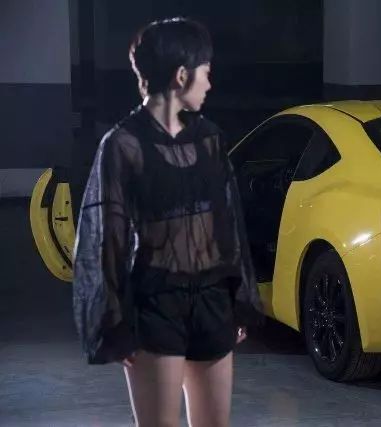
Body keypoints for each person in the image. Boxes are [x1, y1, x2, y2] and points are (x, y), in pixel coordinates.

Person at [72, 17, 262, 427]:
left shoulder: (210, 138)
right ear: (181, 76)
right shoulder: (122, 145)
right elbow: (106, 238)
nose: (209, 84)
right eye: (205, 73)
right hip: (155, 305)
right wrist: (114, 322)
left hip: (212, 300)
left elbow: (227, 223)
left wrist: (237, 301)